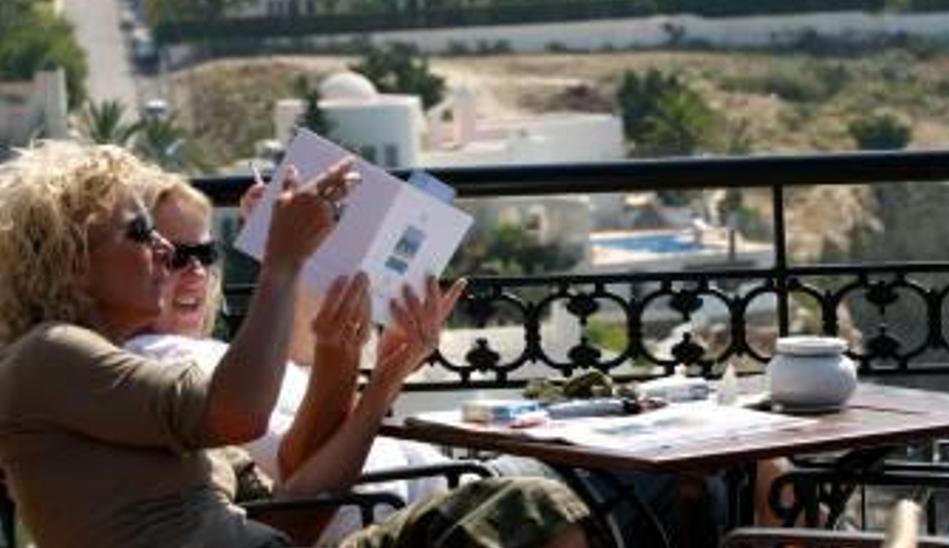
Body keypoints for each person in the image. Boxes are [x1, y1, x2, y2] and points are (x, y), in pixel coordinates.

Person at [0, 141, 592, 548]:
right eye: (139, 233)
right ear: (70, 261)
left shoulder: (107, 374)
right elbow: (238, 411)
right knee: (538, 508)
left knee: (529, 508)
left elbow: (299, 507)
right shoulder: (49, 355)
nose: (164, 250)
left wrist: (381, 376)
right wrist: (282, 262)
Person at [125, 179, 455, 542]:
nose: (197, 272)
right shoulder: (166, 363)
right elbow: (298, 463)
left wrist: (387, 371)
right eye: (174, 256)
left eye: (205, 255)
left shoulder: (198, 355)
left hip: (418, 494)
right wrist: (381, 380)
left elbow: (324, 418)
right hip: (401, 516)